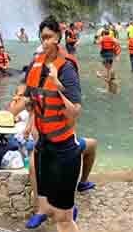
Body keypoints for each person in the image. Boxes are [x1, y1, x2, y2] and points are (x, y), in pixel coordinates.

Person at [5, 17, 83, 232]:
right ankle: (47, 210)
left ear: (58, 37)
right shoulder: (36, 64)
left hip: (65, 149)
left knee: (63, 218)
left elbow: (75, 112)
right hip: (44, 147)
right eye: (42, 38)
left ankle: (66, 211)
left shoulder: (67, 69)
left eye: (49, 37)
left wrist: (58, 86)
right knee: (50, 206)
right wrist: (5, 115)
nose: (45, 42)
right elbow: (28, 98)